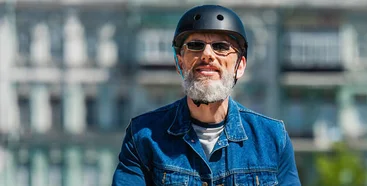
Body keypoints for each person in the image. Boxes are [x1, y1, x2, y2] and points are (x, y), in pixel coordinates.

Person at [112, 5, 301, 186]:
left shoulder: (273, 138)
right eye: (195, 45)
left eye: (221, 46)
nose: (207, 54)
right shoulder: (142, 137)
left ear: (240, 66)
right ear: (180, 63)